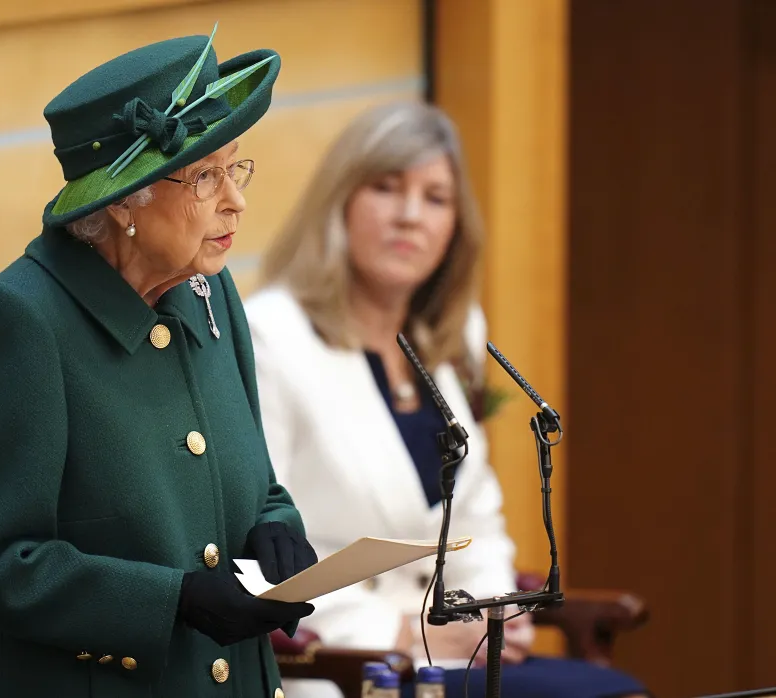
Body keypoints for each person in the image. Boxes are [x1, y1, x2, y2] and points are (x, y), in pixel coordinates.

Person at [0, 26, 318, 698]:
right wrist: (171, 600)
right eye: (205, 176)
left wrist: (276, 528)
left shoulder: (209, 289)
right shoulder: (19, 323)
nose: (237, 200)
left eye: (234, 167)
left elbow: (253, 482)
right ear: (122, 202)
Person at [244, 101, 647, 698]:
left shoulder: (450, 338)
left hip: (457, 656)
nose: (410, 216)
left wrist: (492, 614)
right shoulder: (270, 336)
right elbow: (256, 546)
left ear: (456, 227)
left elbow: (477, 517)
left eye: (435, 198)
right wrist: (408, 634)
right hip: (348, 664)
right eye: (386, 188)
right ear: (339, 202)